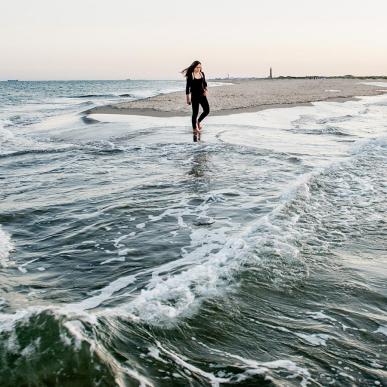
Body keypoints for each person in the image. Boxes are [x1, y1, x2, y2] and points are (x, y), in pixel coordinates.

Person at [181, 60, 210, 142]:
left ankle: (198, 121)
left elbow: (205, 83)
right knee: (195, 113)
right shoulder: (191, 75)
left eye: (200, 67)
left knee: (207, 110)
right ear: (194, 67)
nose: (199, 69)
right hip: (194, 97)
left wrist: (206, 90)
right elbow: (187, 88)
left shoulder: (202, 74)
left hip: (202, 96)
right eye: (197, 67)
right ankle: (194, 129)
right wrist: (188, 98)